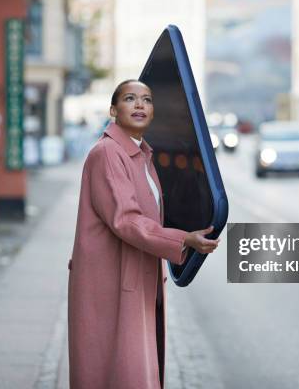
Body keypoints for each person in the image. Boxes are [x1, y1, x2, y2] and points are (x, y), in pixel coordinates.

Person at [68, 79, 220, 389]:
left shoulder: (140, 155)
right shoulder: (108, 153)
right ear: (113, 109)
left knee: (131, 369)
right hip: (110, 282)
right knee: (121, 371)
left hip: (133, 277)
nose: (140, 105)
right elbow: (125, 219)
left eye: (147, 100)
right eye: (130, 98)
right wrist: (182, 239)